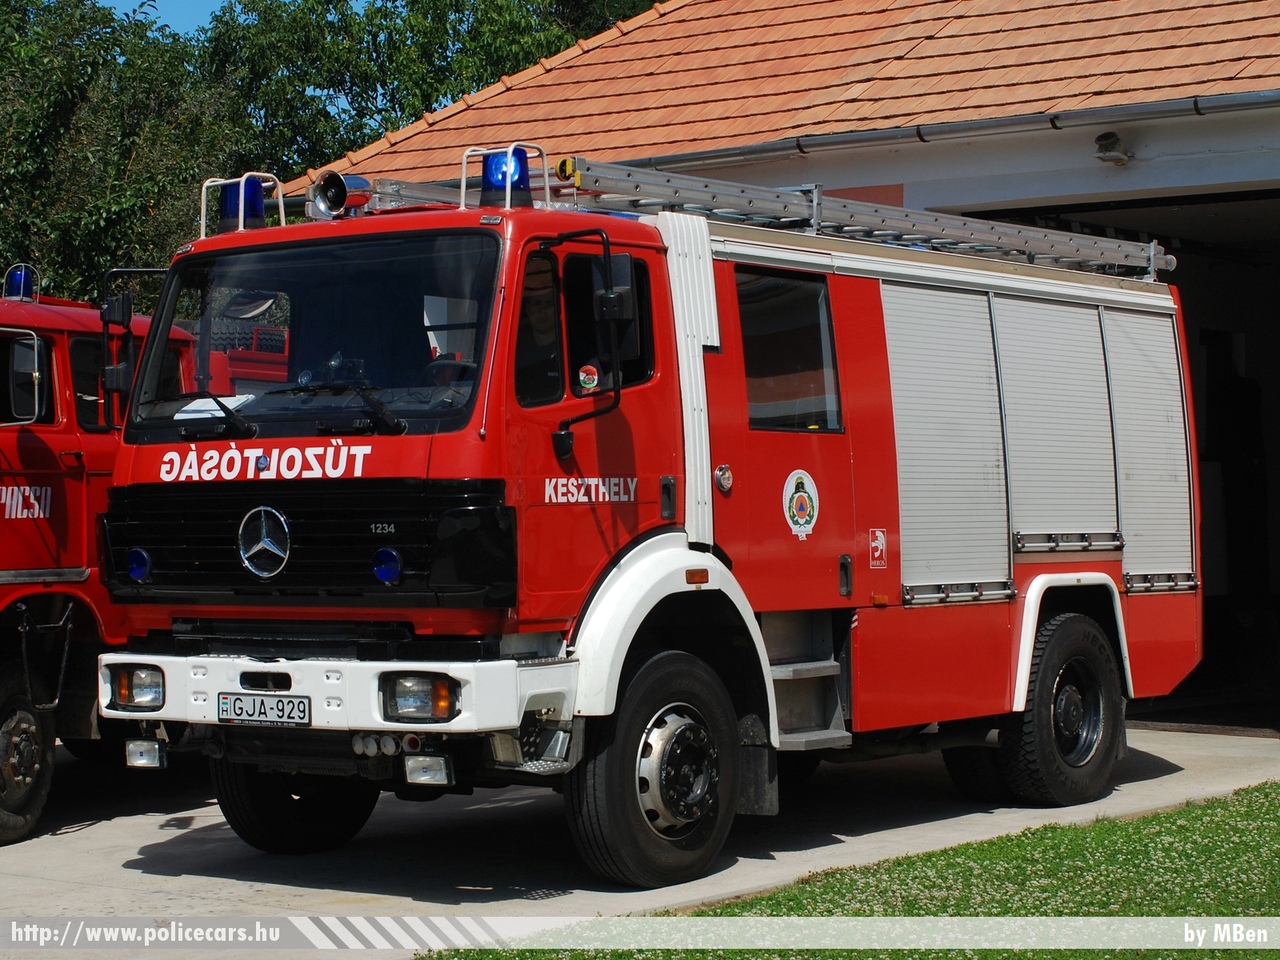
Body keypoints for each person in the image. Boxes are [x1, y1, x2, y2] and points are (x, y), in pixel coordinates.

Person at [514, 259, 563, 405]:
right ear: (527, 309)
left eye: (548, 303)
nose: (542, 310)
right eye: (536, 303)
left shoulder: (576, 352)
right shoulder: (515, 352)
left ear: (558, 307)